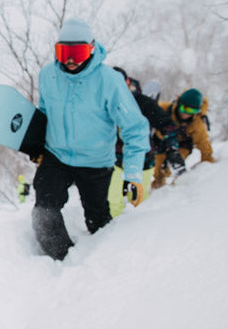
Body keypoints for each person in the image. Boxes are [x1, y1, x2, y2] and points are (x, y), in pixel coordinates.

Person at [32, 18, 149, 260]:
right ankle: (61, 258)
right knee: (44, 209)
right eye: (64, 52)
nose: (71, 60)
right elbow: (43, 114)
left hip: (95, 162)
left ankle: (100, 262)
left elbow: (135, 129)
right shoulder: (47, 75)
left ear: (92, 47)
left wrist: (134, 174)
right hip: (57, 156)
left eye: (78, 52)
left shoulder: (109, 81)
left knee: (98, 219)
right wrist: (36, 145)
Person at [107, 67, 186, 217]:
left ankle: (139, 233)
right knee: (113, 199)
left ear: (127, 82)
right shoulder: (102, 103)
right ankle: (113, 233)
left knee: (138, 200)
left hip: (142, 157)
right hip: (113, 158)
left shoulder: (143, 103)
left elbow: (167, 124)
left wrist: (172, 149)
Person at [152, 88, 214, 188]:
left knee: (170, 166)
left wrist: (208, 163)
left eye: (191, 111)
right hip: (162, 142)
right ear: (178, 104)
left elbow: (203, 144)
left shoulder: (196, 124)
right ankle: (156, 187)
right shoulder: (167, 110)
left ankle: (176, 186)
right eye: (184, 109)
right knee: (157, 167)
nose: (186, 114)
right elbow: (150, 107)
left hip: (182, 145)